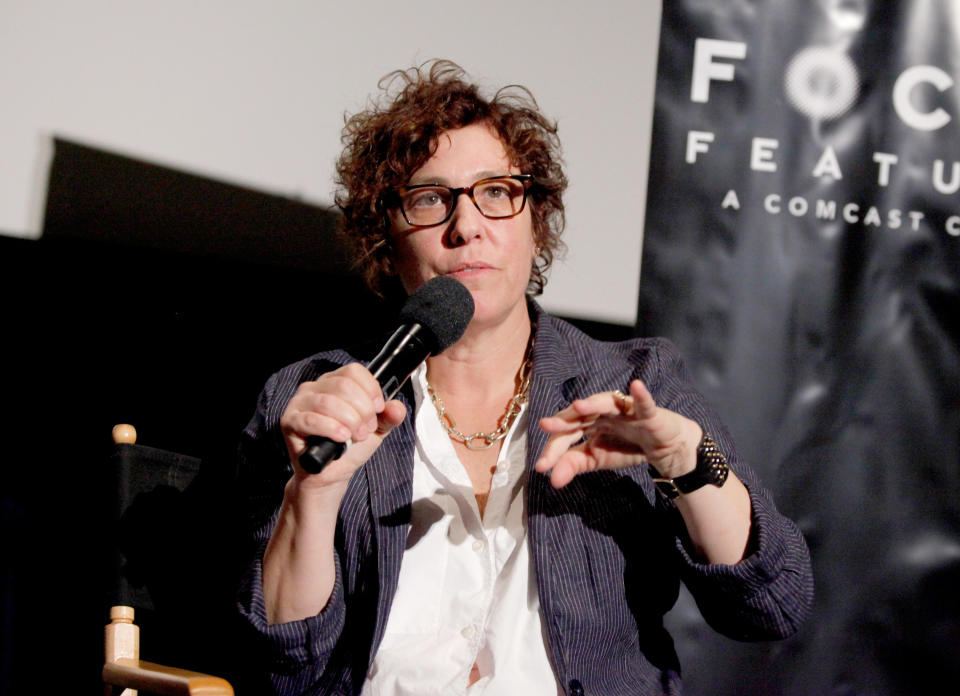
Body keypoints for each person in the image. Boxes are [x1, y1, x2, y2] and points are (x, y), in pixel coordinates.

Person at [237, 60, 813, 696]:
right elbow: (281, 669)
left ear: (535, 223)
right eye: (429, 199)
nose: (467, 225)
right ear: (387, 239)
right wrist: (313, 496)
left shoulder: (632, 380)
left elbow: (773, 604)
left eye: (496, 191)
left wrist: (683, 457)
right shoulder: (317, 398)